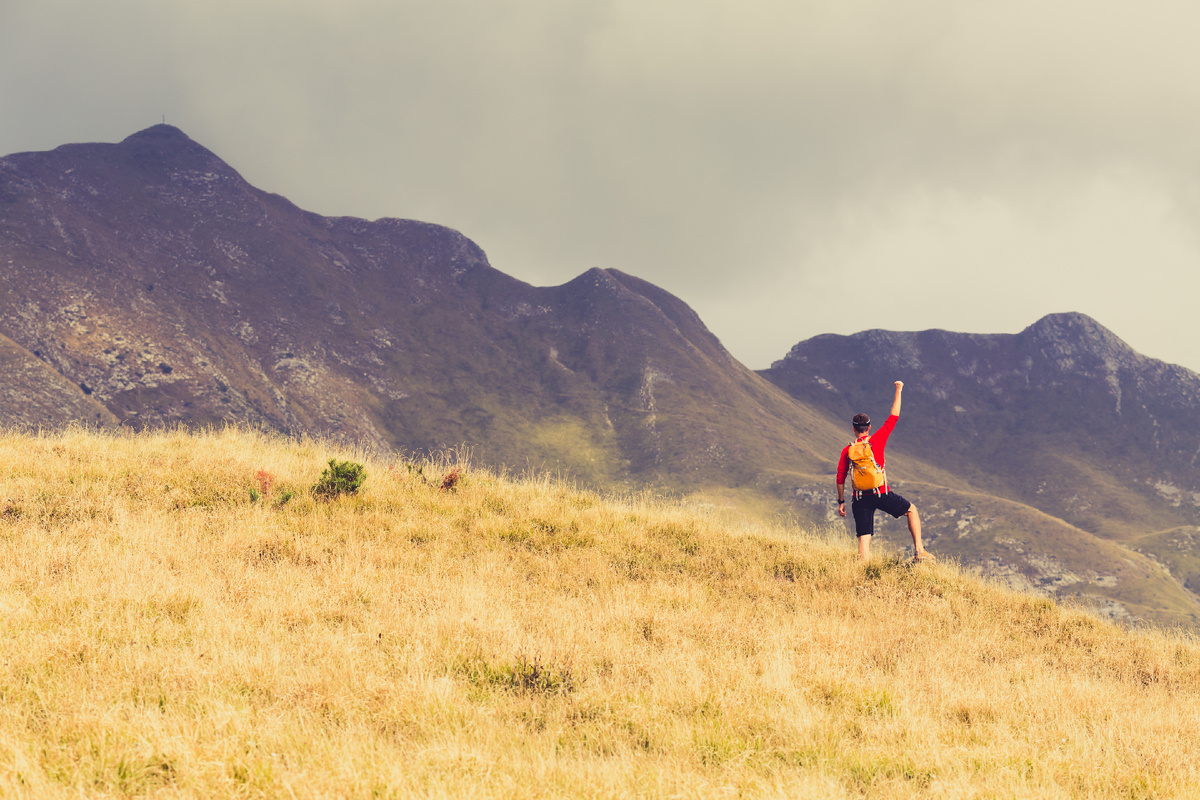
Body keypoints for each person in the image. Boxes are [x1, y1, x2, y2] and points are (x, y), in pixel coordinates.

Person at [836, 381, 934, 563]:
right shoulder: (877, 440)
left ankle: (864, 571)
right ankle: (920, 551)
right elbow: (894, 416)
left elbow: (840, 477)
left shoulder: (847, 450)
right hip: (880, 493)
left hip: (859, 498)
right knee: (911, 510)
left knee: (864, 537)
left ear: (853, 429)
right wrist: (899, 389)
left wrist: (841, 502)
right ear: (869, 427)